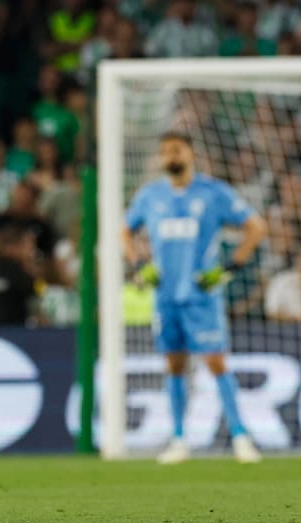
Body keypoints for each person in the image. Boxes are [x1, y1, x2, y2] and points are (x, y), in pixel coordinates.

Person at [122, 132, 267, 464]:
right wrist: (140, 265)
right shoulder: (150, 195)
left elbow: (255, 227)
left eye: (176, 149)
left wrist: (231, 266)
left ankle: (241, 437)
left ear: (191, 154)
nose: (170, 156)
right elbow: (124, 230)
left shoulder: (213, 192)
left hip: (201, 295)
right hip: (166, 296)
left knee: (216, 362)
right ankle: (178, 439)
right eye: (164, 151)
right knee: (174, 364)